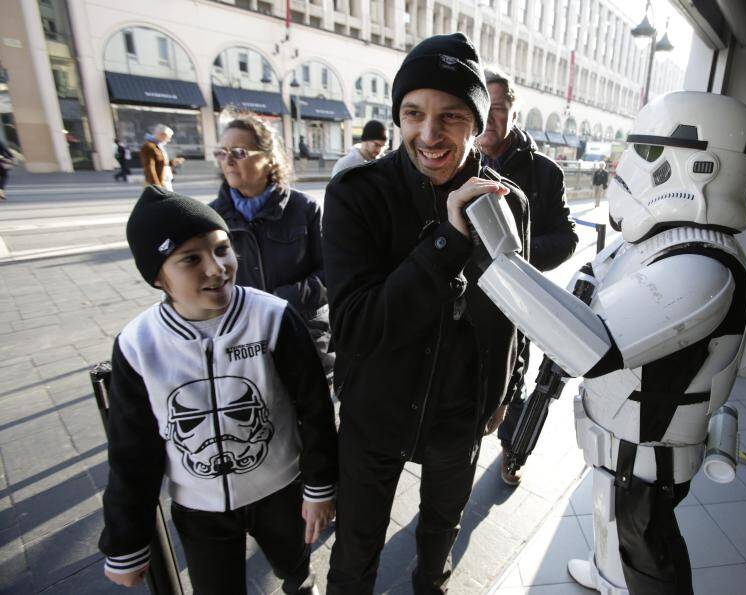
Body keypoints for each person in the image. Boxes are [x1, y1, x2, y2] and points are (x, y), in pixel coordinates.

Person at [466, 91, 746, 594]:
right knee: (609, 529)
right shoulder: (655, 242)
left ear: (702, 166)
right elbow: (588, 294)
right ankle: (607, 578)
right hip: (623, 445)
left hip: (649, 456)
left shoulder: (702, 265)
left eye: (646, 151)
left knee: (645, 555)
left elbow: (592, 347)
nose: (626, 164)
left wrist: (496, 257)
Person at [322, 32, 529, 594]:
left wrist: (505, 390)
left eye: (452, 116)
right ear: (397, 116)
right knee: (356, 548)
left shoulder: (507, 200)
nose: (429, 134)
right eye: (413, 113)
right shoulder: (356, 195)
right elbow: (356, 326)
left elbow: (519, 310)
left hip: (459, 414)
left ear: (477, 123)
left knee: (440, 532)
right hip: (377, 410)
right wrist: (447, 241)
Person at [98, 185, 338, 595]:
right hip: (199, 508)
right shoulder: (139, 344)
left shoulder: (271, 316)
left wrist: (320, 487)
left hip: (280, 490)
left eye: (222, 248)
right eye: (191, 258)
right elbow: (131, 450)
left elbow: (313, 407)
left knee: (294, 564)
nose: (217, 268)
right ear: (157, 276)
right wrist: (125, 542)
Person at [475, 67, 578, 486]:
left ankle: (511, 451)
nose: (488, 119)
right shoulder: (456, 161)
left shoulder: (545, 171)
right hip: (469, 296)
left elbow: (568, 238)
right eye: (481, 108)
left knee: (516, 377)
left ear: (513, 110)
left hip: (520, 298)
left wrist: (514, 253)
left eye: (497, 108)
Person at [209, 113, 335, 384]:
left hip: (302, 334)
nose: (227, 161)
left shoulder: (304, 209)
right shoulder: (211, 217)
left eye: (239, 152)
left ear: (269, 158)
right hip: (242, 341)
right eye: (222, 152)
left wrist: (279, 301)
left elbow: (332, 272)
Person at [140, 124, 184, 190]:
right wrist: (156, 185)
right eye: (168, 137)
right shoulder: (149, 146)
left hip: (164, 180)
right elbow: (149, 167)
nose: (169, 140)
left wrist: (172, 162)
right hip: (159, 182)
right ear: (162, 135)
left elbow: (160, 163)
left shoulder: (158, 145)